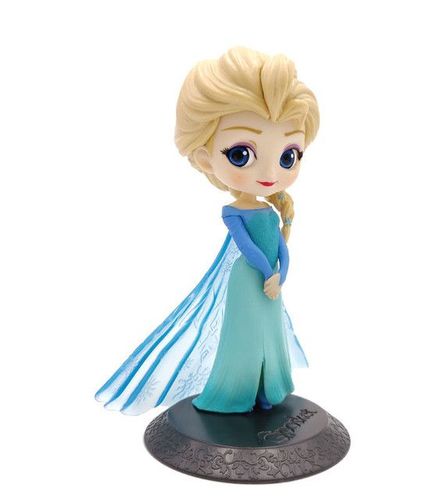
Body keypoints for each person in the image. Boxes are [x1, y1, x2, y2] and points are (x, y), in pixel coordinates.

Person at [95, 46, 319, 415]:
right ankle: (238, 391)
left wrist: (281, 275)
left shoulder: (268, 209)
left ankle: (269, 388)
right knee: (245, 337)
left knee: (270, 335)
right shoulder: (234, 213)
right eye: (241, 154)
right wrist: (270, 273)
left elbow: (282, 246)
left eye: (288, 156)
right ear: (205, 158)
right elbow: (247, 247)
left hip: (270, 283)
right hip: (250, 280)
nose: (270, 173)